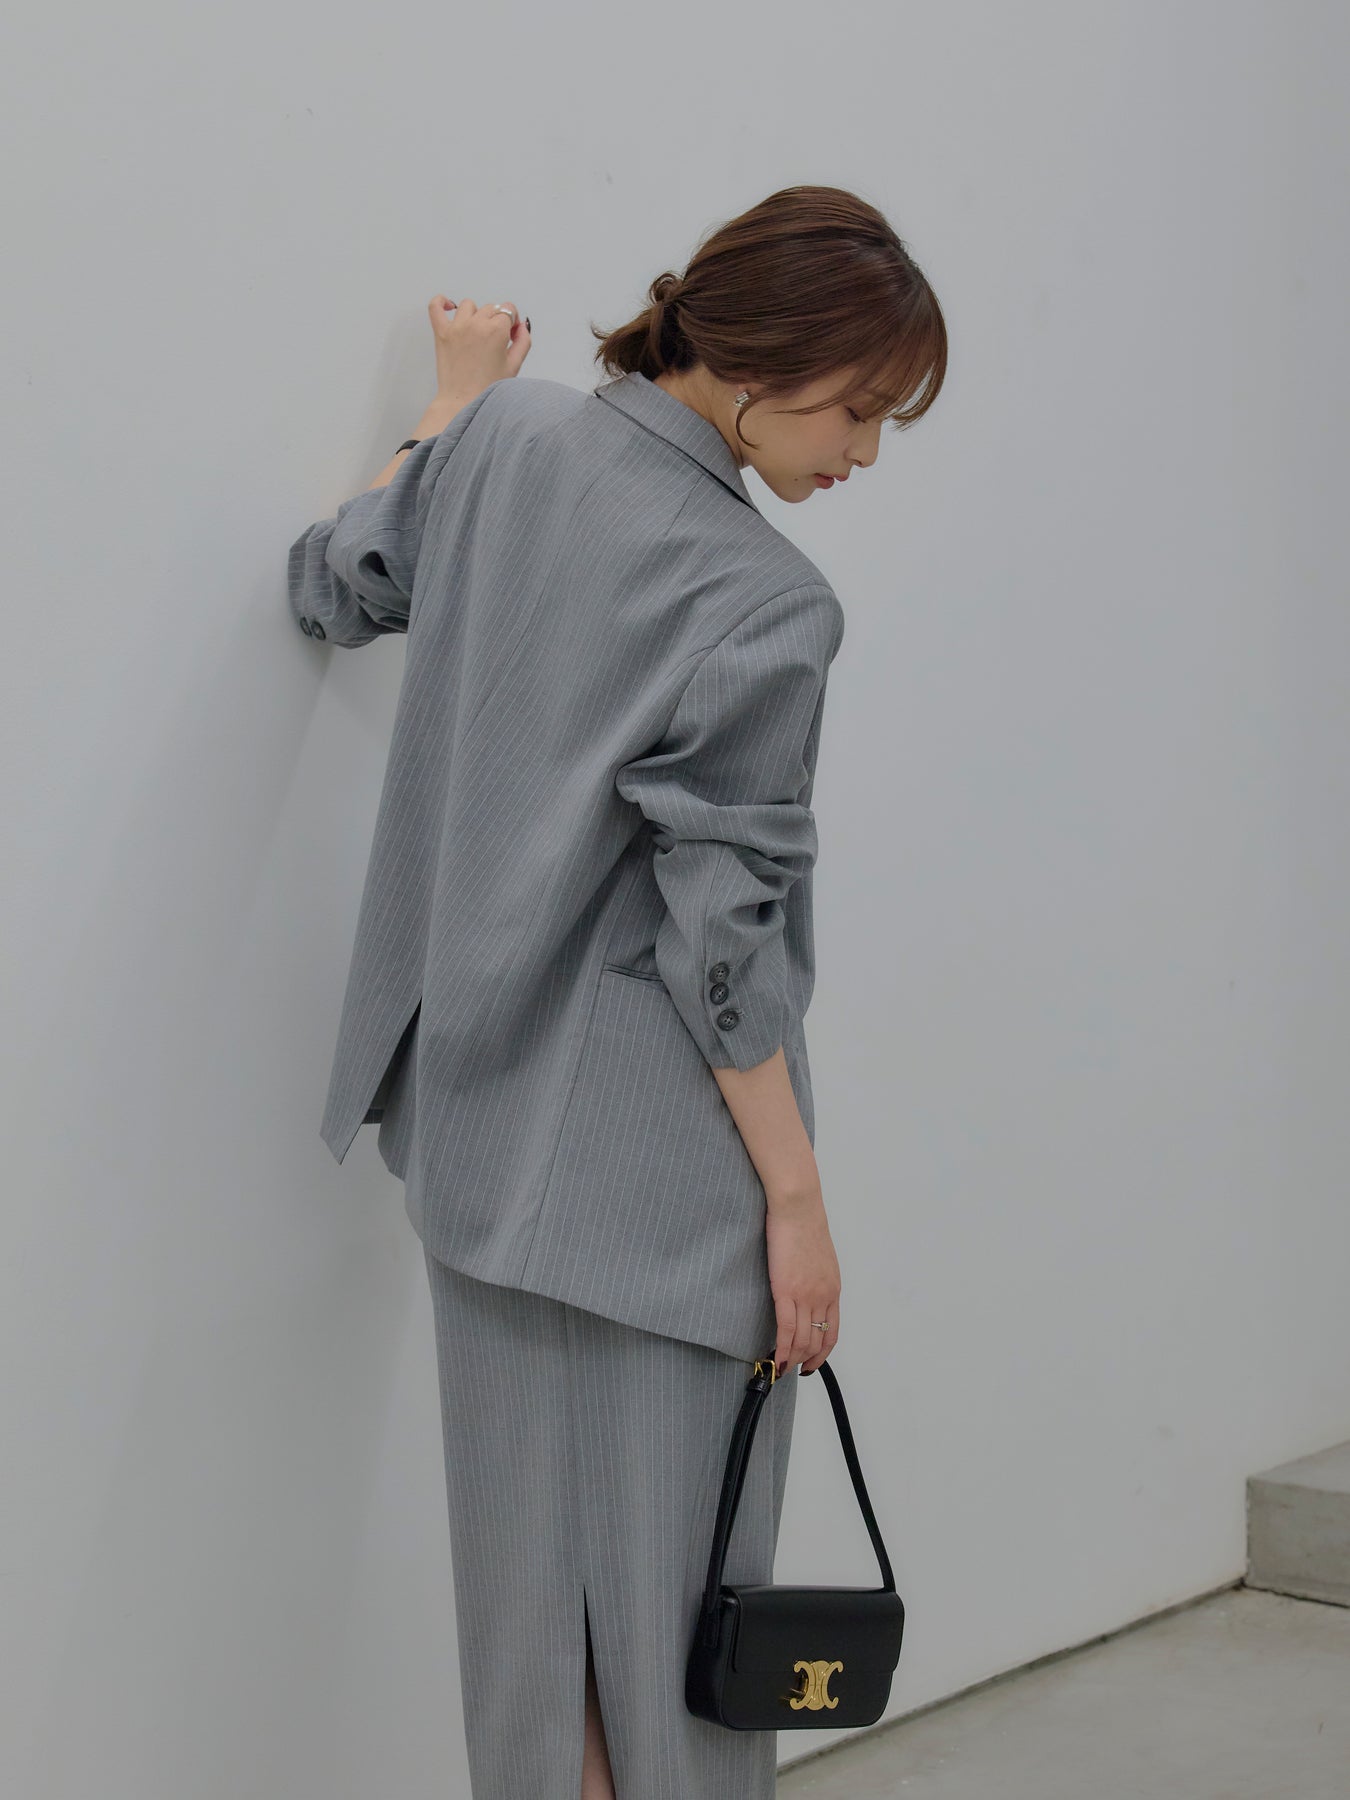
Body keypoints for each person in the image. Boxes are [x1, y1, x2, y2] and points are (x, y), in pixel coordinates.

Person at [287, 182, 946, 1799]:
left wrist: (449, 409)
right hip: (660, 1192)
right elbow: (724, 949)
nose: (865, 452)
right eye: (858, 408)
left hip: (473, 1138)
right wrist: (794, 1199)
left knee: (538, 1655)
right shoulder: (766, 599)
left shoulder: (505, 447)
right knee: (680, 1668)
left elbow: (336, 579)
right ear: (760, 361)